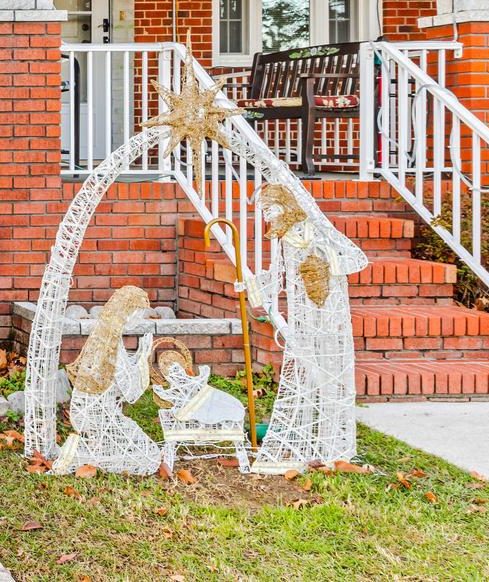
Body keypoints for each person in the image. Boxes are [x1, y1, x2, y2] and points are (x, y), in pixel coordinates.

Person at [245, 183, 368, 472]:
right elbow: (276, 276)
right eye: (264, 212)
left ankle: (335, 447)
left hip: (331, 312)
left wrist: (328, 263)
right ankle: (309, 445)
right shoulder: (285, 240)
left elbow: (357, 259)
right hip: (304, 316)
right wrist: (252, 288)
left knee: (331, 371)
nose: (267, 217)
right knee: (303, 374)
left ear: (285, 206)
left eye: (270, 209)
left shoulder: (319, 232)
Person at [52, 285, 163, 476]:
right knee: (151, 458)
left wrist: (139, 358)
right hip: (95, 416)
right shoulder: (113, 348)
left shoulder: (106, 340)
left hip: (93, 413)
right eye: (136, 315)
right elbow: (131, 393)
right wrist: (144, 357)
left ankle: (91, 452)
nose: (137, 321)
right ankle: (78, 456)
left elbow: (124, 376)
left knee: (143, 451)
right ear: (125, 313)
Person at [148, 338, 249, 470]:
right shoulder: (173, 390)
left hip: (211, 400)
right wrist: (160, 390)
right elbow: (168, 397)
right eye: (172, 372)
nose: (176, 373)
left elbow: (201, 383)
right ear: (168, 376)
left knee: (224, 406)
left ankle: (240, 454)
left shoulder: (193, 381)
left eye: (178, 369)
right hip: (190, 411)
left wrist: (202, 374)